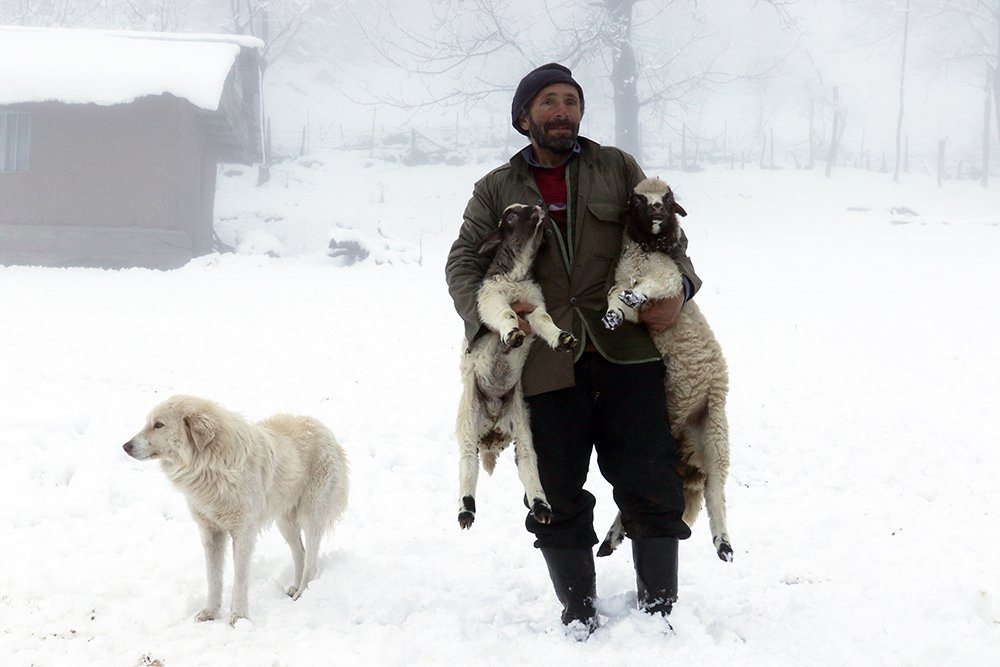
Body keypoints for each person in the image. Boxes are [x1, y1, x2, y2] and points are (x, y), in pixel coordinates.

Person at [445, 63, 701, 636]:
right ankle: (578, 611)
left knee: (652, 477)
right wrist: (487, 315)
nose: (563, 112)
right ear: (524, 117)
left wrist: (680, 290)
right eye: (549, 103)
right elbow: (463, 261)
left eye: (571, 102)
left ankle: (660, 610)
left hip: (626, 349)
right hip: (543, 361)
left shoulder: (616, 167)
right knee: (555, 487)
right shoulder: (496, 188)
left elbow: (668, 238)